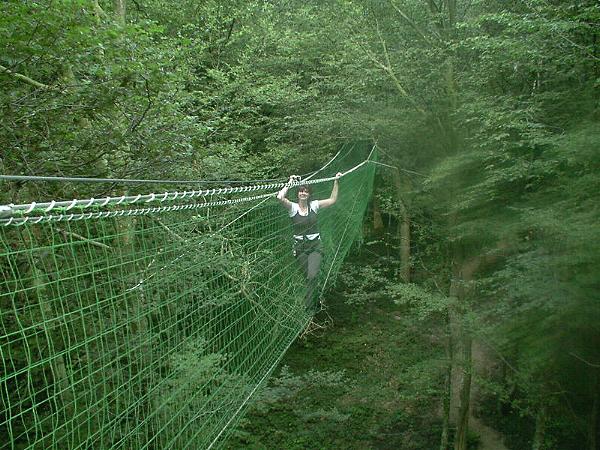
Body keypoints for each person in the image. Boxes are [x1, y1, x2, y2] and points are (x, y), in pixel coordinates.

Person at [277, 172, 342, 311]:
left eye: (306, 191)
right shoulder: (293, 207)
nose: (303, 193)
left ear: (309, 194)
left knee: (312, 275)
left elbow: (332, 200)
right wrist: (289, 183)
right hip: (300, 248)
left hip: (315, 246)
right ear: (298, 194)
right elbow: (279, 197)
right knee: (308, 278)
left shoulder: (314, 205)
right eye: (301, 191)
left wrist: (336, 181)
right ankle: (315, 299)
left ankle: (309, 306)